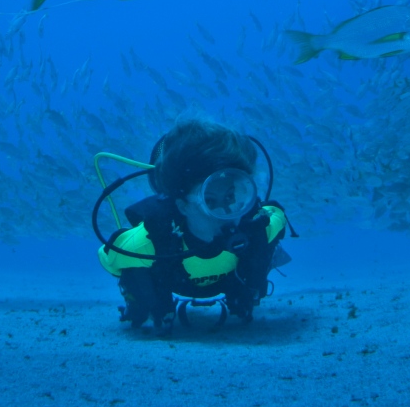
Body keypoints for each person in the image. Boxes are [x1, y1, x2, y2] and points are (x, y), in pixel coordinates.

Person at [97, 120, 289, 331]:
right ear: (183, 205)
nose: (227, 215)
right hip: (169, 277)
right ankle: (152, 307)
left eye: (231, 198)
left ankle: (245, 296)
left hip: (231, 279)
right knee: (139, 286)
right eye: (210, 201)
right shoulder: (144, 245)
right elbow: (110, 258)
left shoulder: (259, 228)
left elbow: (277, 217)